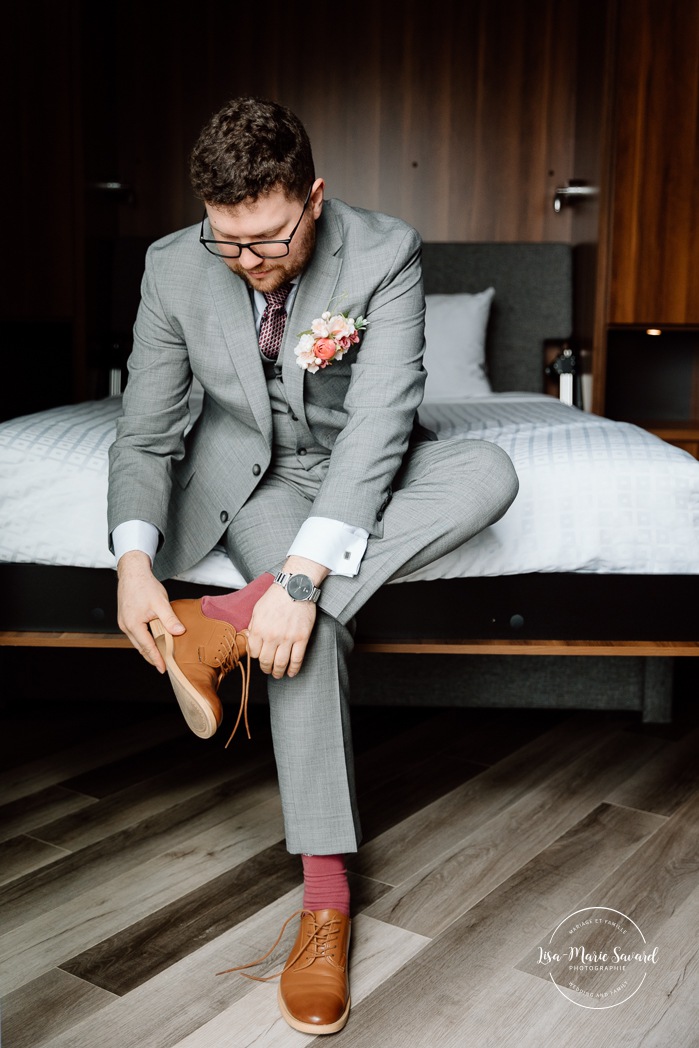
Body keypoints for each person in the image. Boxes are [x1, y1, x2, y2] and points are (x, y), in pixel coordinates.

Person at [108, 96, 518, 1035]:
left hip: (365, 464)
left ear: (315, 198)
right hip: (255, 478)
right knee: (309, 633)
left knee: (488, 473)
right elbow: (145, 431)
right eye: (228, 243)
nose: (248, 264)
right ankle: (325, 901)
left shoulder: (384, 251)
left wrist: (292, 583)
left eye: (268, 240)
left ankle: (230, 619)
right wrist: (135, 560)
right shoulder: (173, 268)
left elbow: (378, 424)